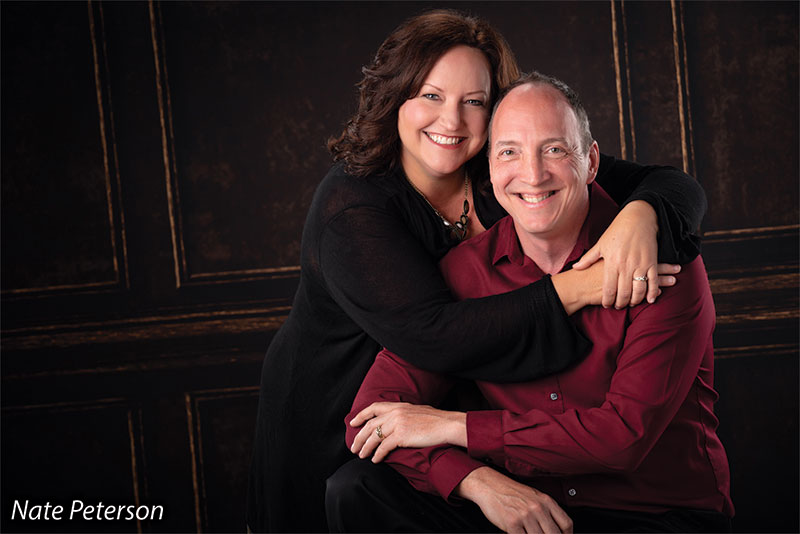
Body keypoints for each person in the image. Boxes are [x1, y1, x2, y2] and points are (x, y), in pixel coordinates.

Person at [246, 9, 707, 532]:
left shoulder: (508, 168)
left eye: (474, 102)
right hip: (338, 409)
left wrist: (644, 213)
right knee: (351, 494)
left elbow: (671, 184)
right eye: (430, 95)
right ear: (395, 98)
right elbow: (437, 337)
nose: (452, 121)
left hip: (455, 422)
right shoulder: (353, 208)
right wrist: (576, 288)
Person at [330, 72, 733, 533]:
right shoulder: (466, 271)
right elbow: (371, 419)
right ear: (489, 168)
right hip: (523, 510)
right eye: (509, 152)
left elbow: (622, 438)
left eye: (554, 149)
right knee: (357, 488)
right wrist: (476, 482)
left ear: (591, 162)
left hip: (651, 513)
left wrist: (454, 427)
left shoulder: (658, 261)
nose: (533, 175)